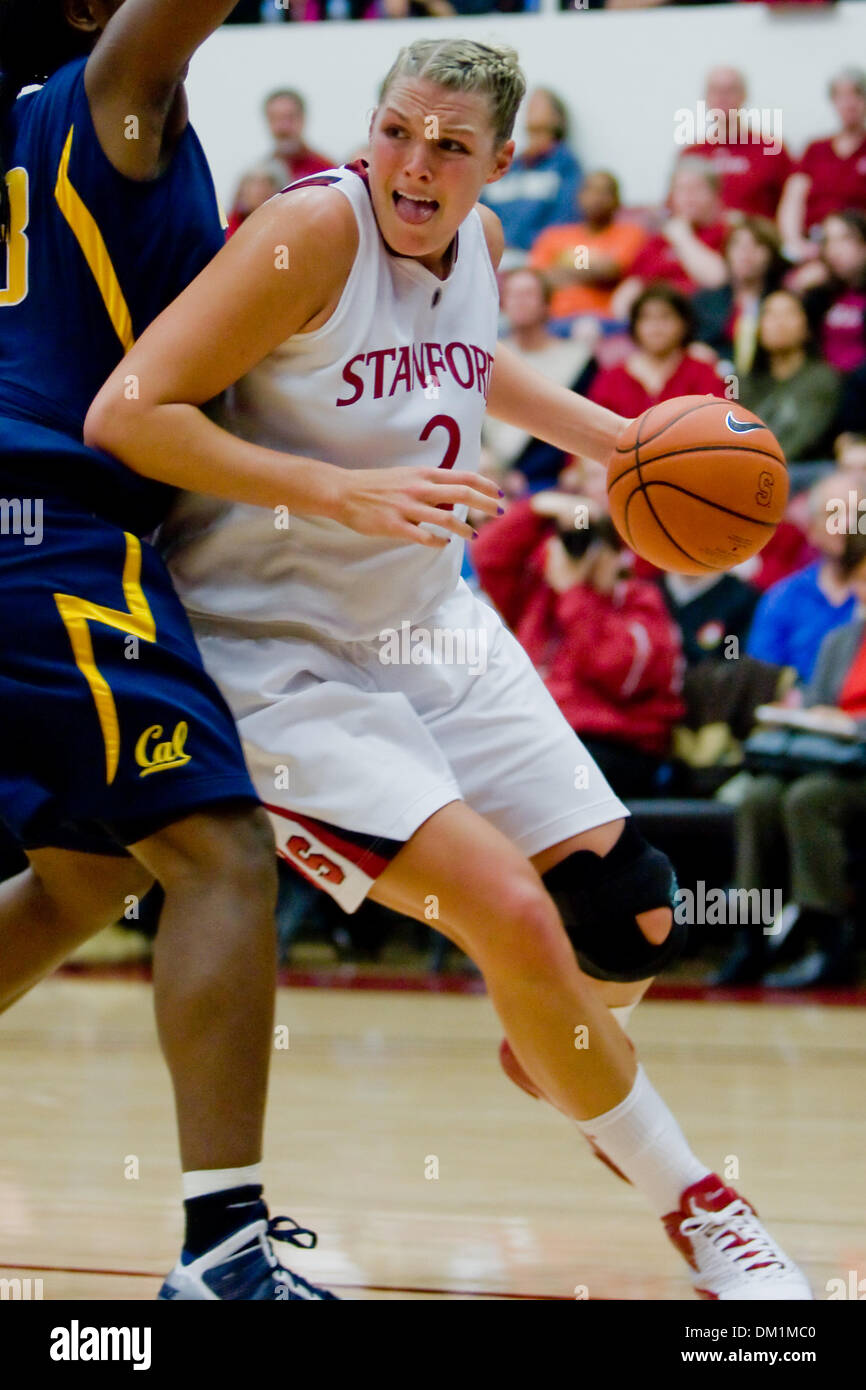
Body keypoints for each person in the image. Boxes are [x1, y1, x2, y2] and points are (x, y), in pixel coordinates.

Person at [89, 36, 812, 1300]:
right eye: (396, 130)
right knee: (512, 917)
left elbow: (472, 366)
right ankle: (703, 1214)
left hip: (430, 625)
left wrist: (615, 440)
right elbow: (129, 411)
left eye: (450, 145)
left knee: (630, 916)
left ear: (502, 161)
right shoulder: (311, 233)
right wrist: (337, 489)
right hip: (279, 656)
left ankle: (558, 1045)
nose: (414, 164)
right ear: (370, 127)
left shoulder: (475, 246)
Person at [0, 0, 500, 1302]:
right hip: (48, 531)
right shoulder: (108, 92)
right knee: (221, 855)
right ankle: (222, 1254)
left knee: (73, 876)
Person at [720, 529, 866, 989]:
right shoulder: (841, 641)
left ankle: (828, 940)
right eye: (858, 579)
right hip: (834, 762)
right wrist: (801, 715)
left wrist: (853, 726)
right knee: (760, 797)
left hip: (853, 768)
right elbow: (818, 704)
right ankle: (752, 936)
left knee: (808, 799)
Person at [473, 494, 685, 798]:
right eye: (570, 543)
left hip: (616, 746)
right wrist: (540, 508)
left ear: (616, 555)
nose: (579, 555)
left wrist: (575, 595)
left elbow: (618, 673)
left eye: (590, 544)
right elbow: (488, 555)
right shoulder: (538, 595)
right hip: (539, 736)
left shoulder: (640, 602)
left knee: (528, 783)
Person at [481, 267, 597, 493]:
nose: (520, 302)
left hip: (548, 477)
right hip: (488, 471)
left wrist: (527, 474)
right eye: (513, 295)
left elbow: (577, 424)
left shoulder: (577, 359)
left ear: (546, 303)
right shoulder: (486, 355)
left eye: (528, 294)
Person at [746, 473, 861, 682]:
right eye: (833, 513)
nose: (846, 525)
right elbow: (760, 677)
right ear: (812, 529)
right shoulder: (784, 598)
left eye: (856, 513)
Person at [610, 161, 728, 319]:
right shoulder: (658, 241)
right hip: (654, 320)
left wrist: (683, 237)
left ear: (715, 194)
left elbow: (717, 280)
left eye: (697, 188)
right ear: (671, 197)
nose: (689, 196)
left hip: (702, 318)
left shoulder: (726, 233)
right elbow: (629, 291)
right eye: (681, 189)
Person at [588, 284, 726, 418]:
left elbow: (720, 420)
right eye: (646, 318)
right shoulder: (612, 378)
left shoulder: (702, 372)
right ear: (635, 325)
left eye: (665, 317)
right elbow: (595, 426)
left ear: (684, 323)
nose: (656, 326)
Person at [527, 170, 647, 323]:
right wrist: (593, 273)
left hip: (604, 320)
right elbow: (539, 280)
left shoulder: (632, 233)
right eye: (590, 190)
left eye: (604, 192)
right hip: (553, 319)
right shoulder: (552, 235)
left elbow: (613, 272)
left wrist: (561, 270)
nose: (596, 198)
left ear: (617, 200)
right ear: (578, 197)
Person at [737, 290, 841, 462]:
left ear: (806, 327)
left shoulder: (823, 379)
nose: (780, 322)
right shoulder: (744, 381)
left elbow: (805, 439)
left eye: (789, 313)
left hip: (802, 469)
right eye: (770, 315)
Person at [677, 67, 792, 221]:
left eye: (729, 90)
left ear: (743, 95)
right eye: (715, 90)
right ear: (706, 97)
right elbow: (675, 208)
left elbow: (793, 204)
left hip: (755, 238)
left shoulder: (771, 149)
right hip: (702, 239)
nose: (722, 97)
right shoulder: (691, 154)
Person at [479, 86, 581, 257]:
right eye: (529, 104)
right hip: (491, 255)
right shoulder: (510, 165)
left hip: (534, 257)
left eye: (539, 104)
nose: (530, 108)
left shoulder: (565, 166)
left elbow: (565, 222)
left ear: (557, 118)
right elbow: (480, 212)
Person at [778, 68, 866, 265]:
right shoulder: (815, 150)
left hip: (857, 249)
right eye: (842, 96)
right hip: (814, 244)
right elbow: (792, 201)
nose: (849, 104)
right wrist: (795, 243)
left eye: (856, 95)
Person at [692, 216, 787, 375]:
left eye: (756, 245)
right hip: (714, 382)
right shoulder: (705, 300)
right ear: (727, 252)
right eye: (738, 245)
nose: (746, 253)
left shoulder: (783, 300)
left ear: (771, 255)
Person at [800, 212, 866, 376]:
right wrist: (798, 291)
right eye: (828, 241)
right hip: (824, 386)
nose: (834, 250)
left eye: (845, 239)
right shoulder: (821, 295)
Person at [263, 87, 332, 184]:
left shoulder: (325, 171)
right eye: (275, 119)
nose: (283, 127)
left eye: (289, 118)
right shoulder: (259, 175)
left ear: (303, 120)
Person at [226, 161, 285, 237]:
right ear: (242, 192)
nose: (260, 191)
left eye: (267, 184)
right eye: (254, 184)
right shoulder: (228, 226)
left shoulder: (285, 225)